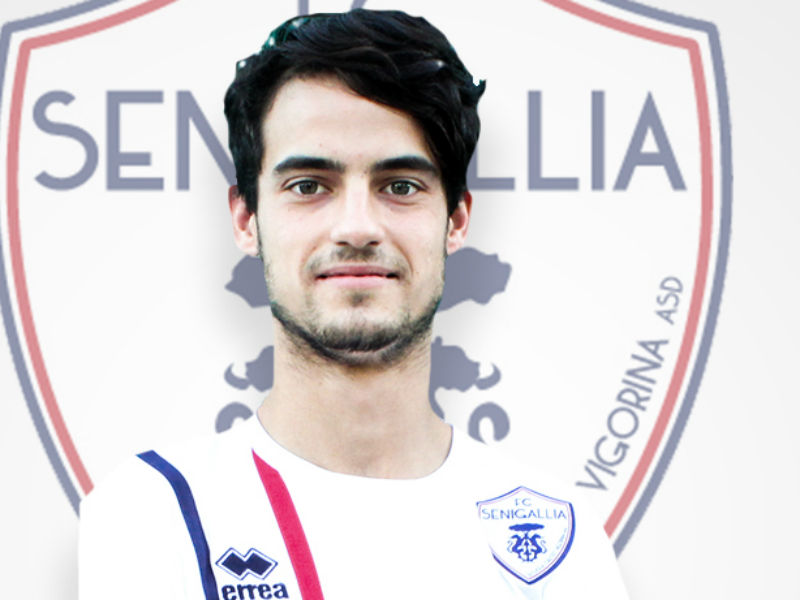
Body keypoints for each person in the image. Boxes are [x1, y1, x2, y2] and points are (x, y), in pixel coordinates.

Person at [79, 10, 629, 600]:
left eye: (400, 186)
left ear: (456, 219)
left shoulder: (559, 540)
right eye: (309, 185)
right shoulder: (154, 512)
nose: (358, 227)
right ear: (245, 219)